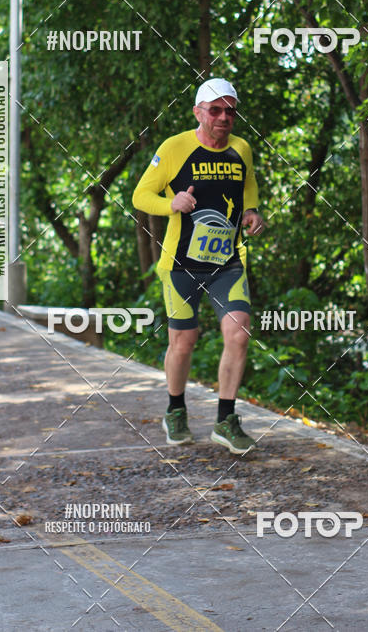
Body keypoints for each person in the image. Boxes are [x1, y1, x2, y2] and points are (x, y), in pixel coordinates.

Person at [132, 78, 264, 455]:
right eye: (215, 110)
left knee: (239, 334)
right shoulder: (174, 148)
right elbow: (140, 195)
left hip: (227, 262)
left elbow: (248, 184)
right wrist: (170, 205)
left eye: (230, 111)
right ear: (198, 112)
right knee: (183, 342)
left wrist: (251, 211)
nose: (224, 117)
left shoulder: (241, 148)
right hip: (180, 265)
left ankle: (226, 420)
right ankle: (175, 410)